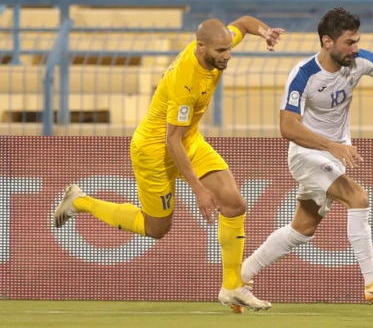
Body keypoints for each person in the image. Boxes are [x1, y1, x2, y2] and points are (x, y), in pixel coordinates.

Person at [52, 16, 285, 312]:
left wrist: (265, 32)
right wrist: (198, 189)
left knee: (234, 203)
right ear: (201, 48)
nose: (227, 56)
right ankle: (80, 201)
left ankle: (232, 286)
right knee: (156, 229)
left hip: (189, 141)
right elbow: (170, 140)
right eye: (220, 52)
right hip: (154, 151)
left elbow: (244, 23)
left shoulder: (217, 43)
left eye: (229, 49)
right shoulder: (186, 82)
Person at [240, 7, 373, 304]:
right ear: (327, 42)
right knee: (358, 198)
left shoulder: (359, 61)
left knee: (302, 229)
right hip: (306, 154)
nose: (355, 48)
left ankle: (238, 278)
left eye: (357, 41)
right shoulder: (304, 75)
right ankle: (372, 282)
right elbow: (287, 128)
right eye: (349, 42)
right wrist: (332, 146)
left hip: (332, 156)